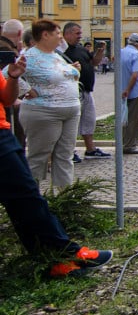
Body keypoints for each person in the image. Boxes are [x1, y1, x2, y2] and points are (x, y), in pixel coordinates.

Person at [0, 55, 113, 278]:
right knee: (26, 197)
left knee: (24, 199)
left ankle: (54, 259)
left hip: (3, 132)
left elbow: (6, 98)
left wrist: (13, 78)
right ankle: (64, 254)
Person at [19, 19, 82, 191]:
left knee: (65, 156)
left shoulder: (56, 55)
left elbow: (58, 74)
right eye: (57, 34)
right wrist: (26, 89)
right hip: (44, 112)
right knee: (38, 157)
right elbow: (7, 75)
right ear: (45, 35)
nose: (61, 38)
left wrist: (72, 69)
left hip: (70, 111)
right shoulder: (29, 56)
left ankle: (64, 197)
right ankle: (32, 198)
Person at [62, 22, 110, 161]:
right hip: (73, 91)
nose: (80, 36)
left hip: (87, 91)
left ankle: (90, 149)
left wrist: (100, 50)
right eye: (77, 33)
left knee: (88, 121)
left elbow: (94, 62)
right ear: (68, 34)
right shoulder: (62, 51)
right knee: (73, 124)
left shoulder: (80, 48)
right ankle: (70, 152)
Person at [120, 33, 138, 155]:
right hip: (135, 91)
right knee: (133, 119)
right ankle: (130, 145)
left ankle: (123, 141)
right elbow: (135, 75)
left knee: (123, 118)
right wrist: (128, 89)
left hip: (121, 89)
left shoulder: (121, 52)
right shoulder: (136, 55)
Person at [0, 19, 25, 148]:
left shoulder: (9, 48)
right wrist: (28, 90)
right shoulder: (5, 49)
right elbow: (7, 74)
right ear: (20, 33)